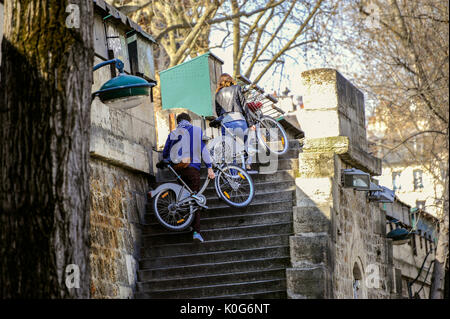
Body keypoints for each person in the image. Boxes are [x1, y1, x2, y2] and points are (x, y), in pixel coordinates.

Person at [162, 112, 215, 243]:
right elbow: (203, 150)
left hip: (178, 170)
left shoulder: (173, 133)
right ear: (190, 121)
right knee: (194, 198)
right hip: (192, 169)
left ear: (177, 122)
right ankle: (196, 232)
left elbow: (165, 153)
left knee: (182, 197)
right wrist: (209, 166)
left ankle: (184, 223)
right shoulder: (196, 131)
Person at [215, 73, 256, 170]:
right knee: (248, 142)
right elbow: (244, 106)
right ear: (230, 80)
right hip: (239, 120)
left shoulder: (217, 94)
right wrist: (250, 123)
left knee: (230, 152)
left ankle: (234, 178)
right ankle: (247, 163)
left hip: (226, 123)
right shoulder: (237, 88)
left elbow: (218, 112)